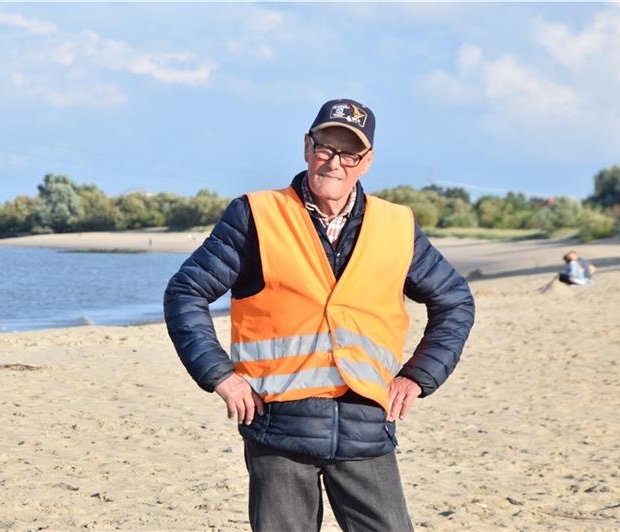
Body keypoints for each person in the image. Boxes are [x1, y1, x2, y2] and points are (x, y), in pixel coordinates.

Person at [164, 98, 475, 531]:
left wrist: (419, 376)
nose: (335, 162)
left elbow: (455, 301)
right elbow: (186, 292)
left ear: (366, 162)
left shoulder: (396, 225)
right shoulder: (255, 215)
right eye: (325, 147)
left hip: (366, 428)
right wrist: (220, 376)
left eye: (349, 153)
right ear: (307, 148)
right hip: (277, 428)